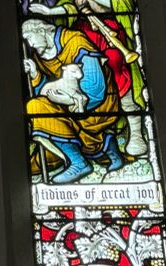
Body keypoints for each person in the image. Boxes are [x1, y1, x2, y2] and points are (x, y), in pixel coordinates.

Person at [21, 18, 128, 184]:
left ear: (41, 31)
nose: (30, 44)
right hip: (68, 105)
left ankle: (103, 145)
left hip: (96, 107)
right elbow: (44, 92)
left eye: (29, 38)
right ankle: (79, 162)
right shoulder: (40, 56)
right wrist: (35, 75)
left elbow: (95, 89)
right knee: (35, 106)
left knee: (46, 115)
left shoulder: (75, 41)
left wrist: (66, 102)